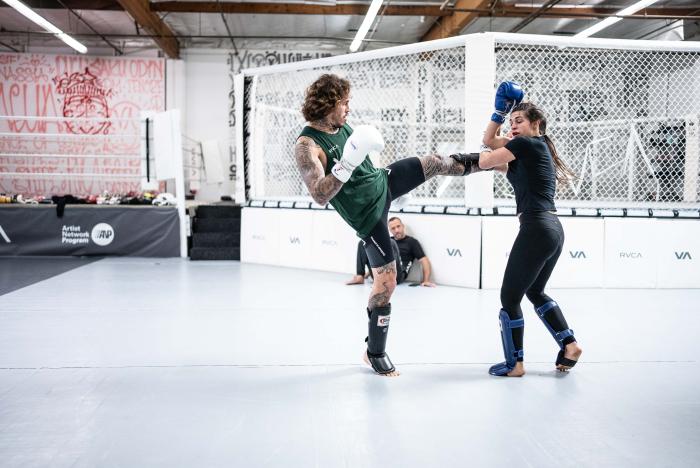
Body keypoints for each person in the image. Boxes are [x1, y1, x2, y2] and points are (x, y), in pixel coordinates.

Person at [294, 74, 482, 376]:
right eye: (344, 103)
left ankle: (491, 161)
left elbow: (362, 162)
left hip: (383, 182)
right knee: (387, 283)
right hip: (368, 216)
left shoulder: (342, 126)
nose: (348, 109)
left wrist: (361, 161)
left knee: (433, 162)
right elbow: (319, 194)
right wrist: (347, 163)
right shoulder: (307, 145)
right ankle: (375, 351)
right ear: (328, 104)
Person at [468, 81, 583, 377]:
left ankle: (515, 364)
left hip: (536, 227)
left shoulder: (526, 145)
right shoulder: (532, 151)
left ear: (537, 124)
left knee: (510, 298)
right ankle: (569, 345)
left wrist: (451, 161)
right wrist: (498, 112)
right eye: (510, 121)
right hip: (552, 229)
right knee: (535, 291)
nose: (513, 126)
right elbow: (490, 142)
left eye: (519, 121)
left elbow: (487, 156)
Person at [346, 216, 436, 287]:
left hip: (398, 276)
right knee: (364, 241)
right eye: (393, 228)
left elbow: (424, 261)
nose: (396, 230)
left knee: (390, 242)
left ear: (403, 226)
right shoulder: (389, 239)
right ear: (389, 230)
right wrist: (366, 274)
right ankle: (359, 276)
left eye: (398, 226)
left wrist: (426, 280)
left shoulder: (411, 242)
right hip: (380, 274)